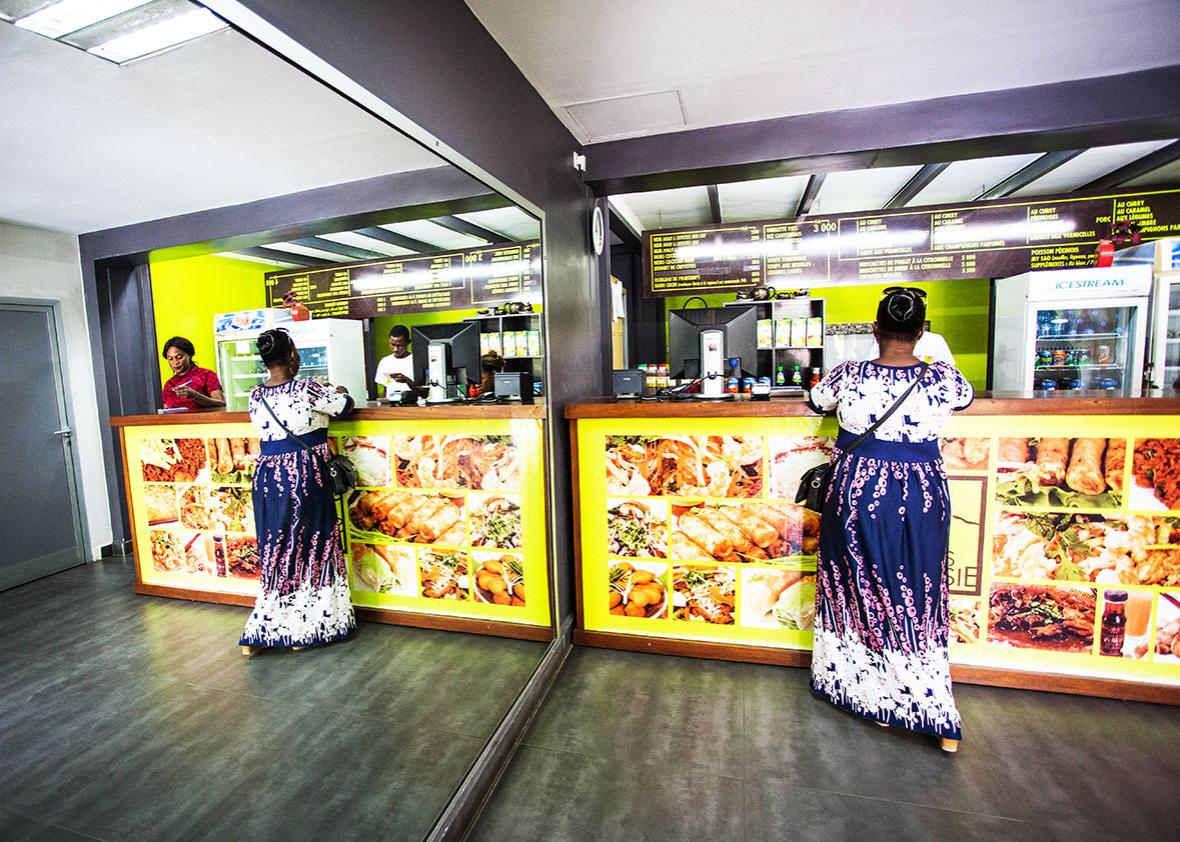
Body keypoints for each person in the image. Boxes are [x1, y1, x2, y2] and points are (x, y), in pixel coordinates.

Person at [806, 287, 974, 753]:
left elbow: (818, 400)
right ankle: (930, 710)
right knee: (918, 594)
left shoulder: (850, 374)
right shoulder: (943, 378)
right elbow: (964, 399)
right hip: (921, 493)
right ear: (922, 332)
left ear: (875, 329)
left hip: (859, 491)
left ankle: (876, 699)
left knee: (861, 588)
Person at [240, 328, 356, 654]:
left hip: (268, 476)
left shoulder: (255, 395)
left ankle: (270, 624)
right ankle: (306, 629)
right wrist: (340, 391)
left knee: (277, 550)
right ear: (292, 355)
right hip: (305, 473)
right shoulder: (306, 389)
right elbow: (345, 406)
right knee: (312, 547)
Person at [161, 336, 225, 410]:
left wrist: (194, 395)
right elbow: (165, 409)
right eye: (170, 359)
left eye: (179, 357)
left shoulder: (206, 375)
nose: (175, 362)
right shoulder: (169, 384)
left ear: (189, 355)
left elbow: (221, 404)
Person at [374, 324, 427, 401]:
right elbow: (386, 389)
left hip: (414, 407)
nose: (395, 349)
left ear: (408, 342)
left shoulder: (418, 361)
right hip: (392, 408)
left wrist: (407, 381)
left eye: (399, 345)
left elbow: (424, 394)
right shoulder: (385, 361)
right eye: (392, 345)